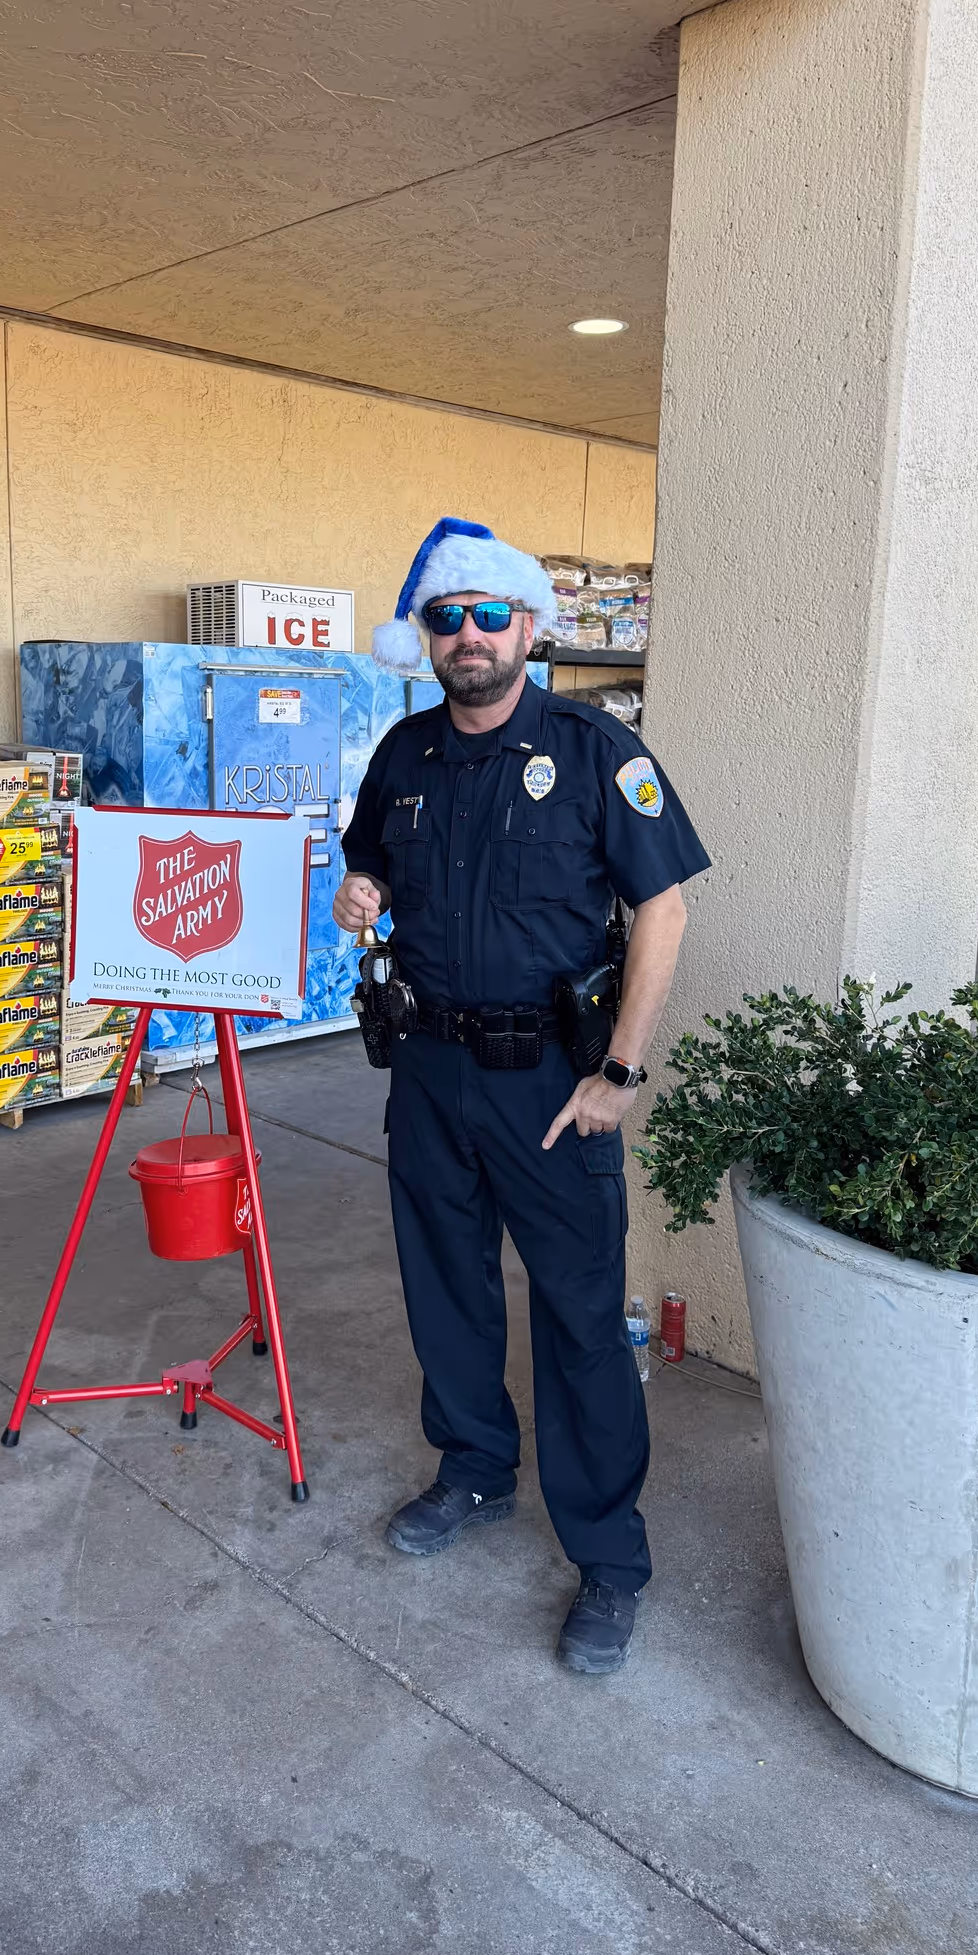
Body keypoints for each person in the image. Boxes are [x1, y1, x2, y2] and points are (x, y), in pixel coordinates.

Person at [336, 516, 710, 1674]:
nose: (468, 637)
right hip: (433, 1073)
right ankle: (474, 1471)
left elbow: (665, 910)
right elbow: (370, 859)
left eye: (488, 615)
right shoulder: (405, 754)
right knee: (446, 1288)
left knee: (581, 1317)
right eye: (445, 619)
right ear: (428, 638)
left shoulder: (599, 749)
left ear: (529, 628)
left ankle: (608, 1555)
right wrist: (359, 888)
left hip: (557, 1081)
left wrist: (621, 1074)